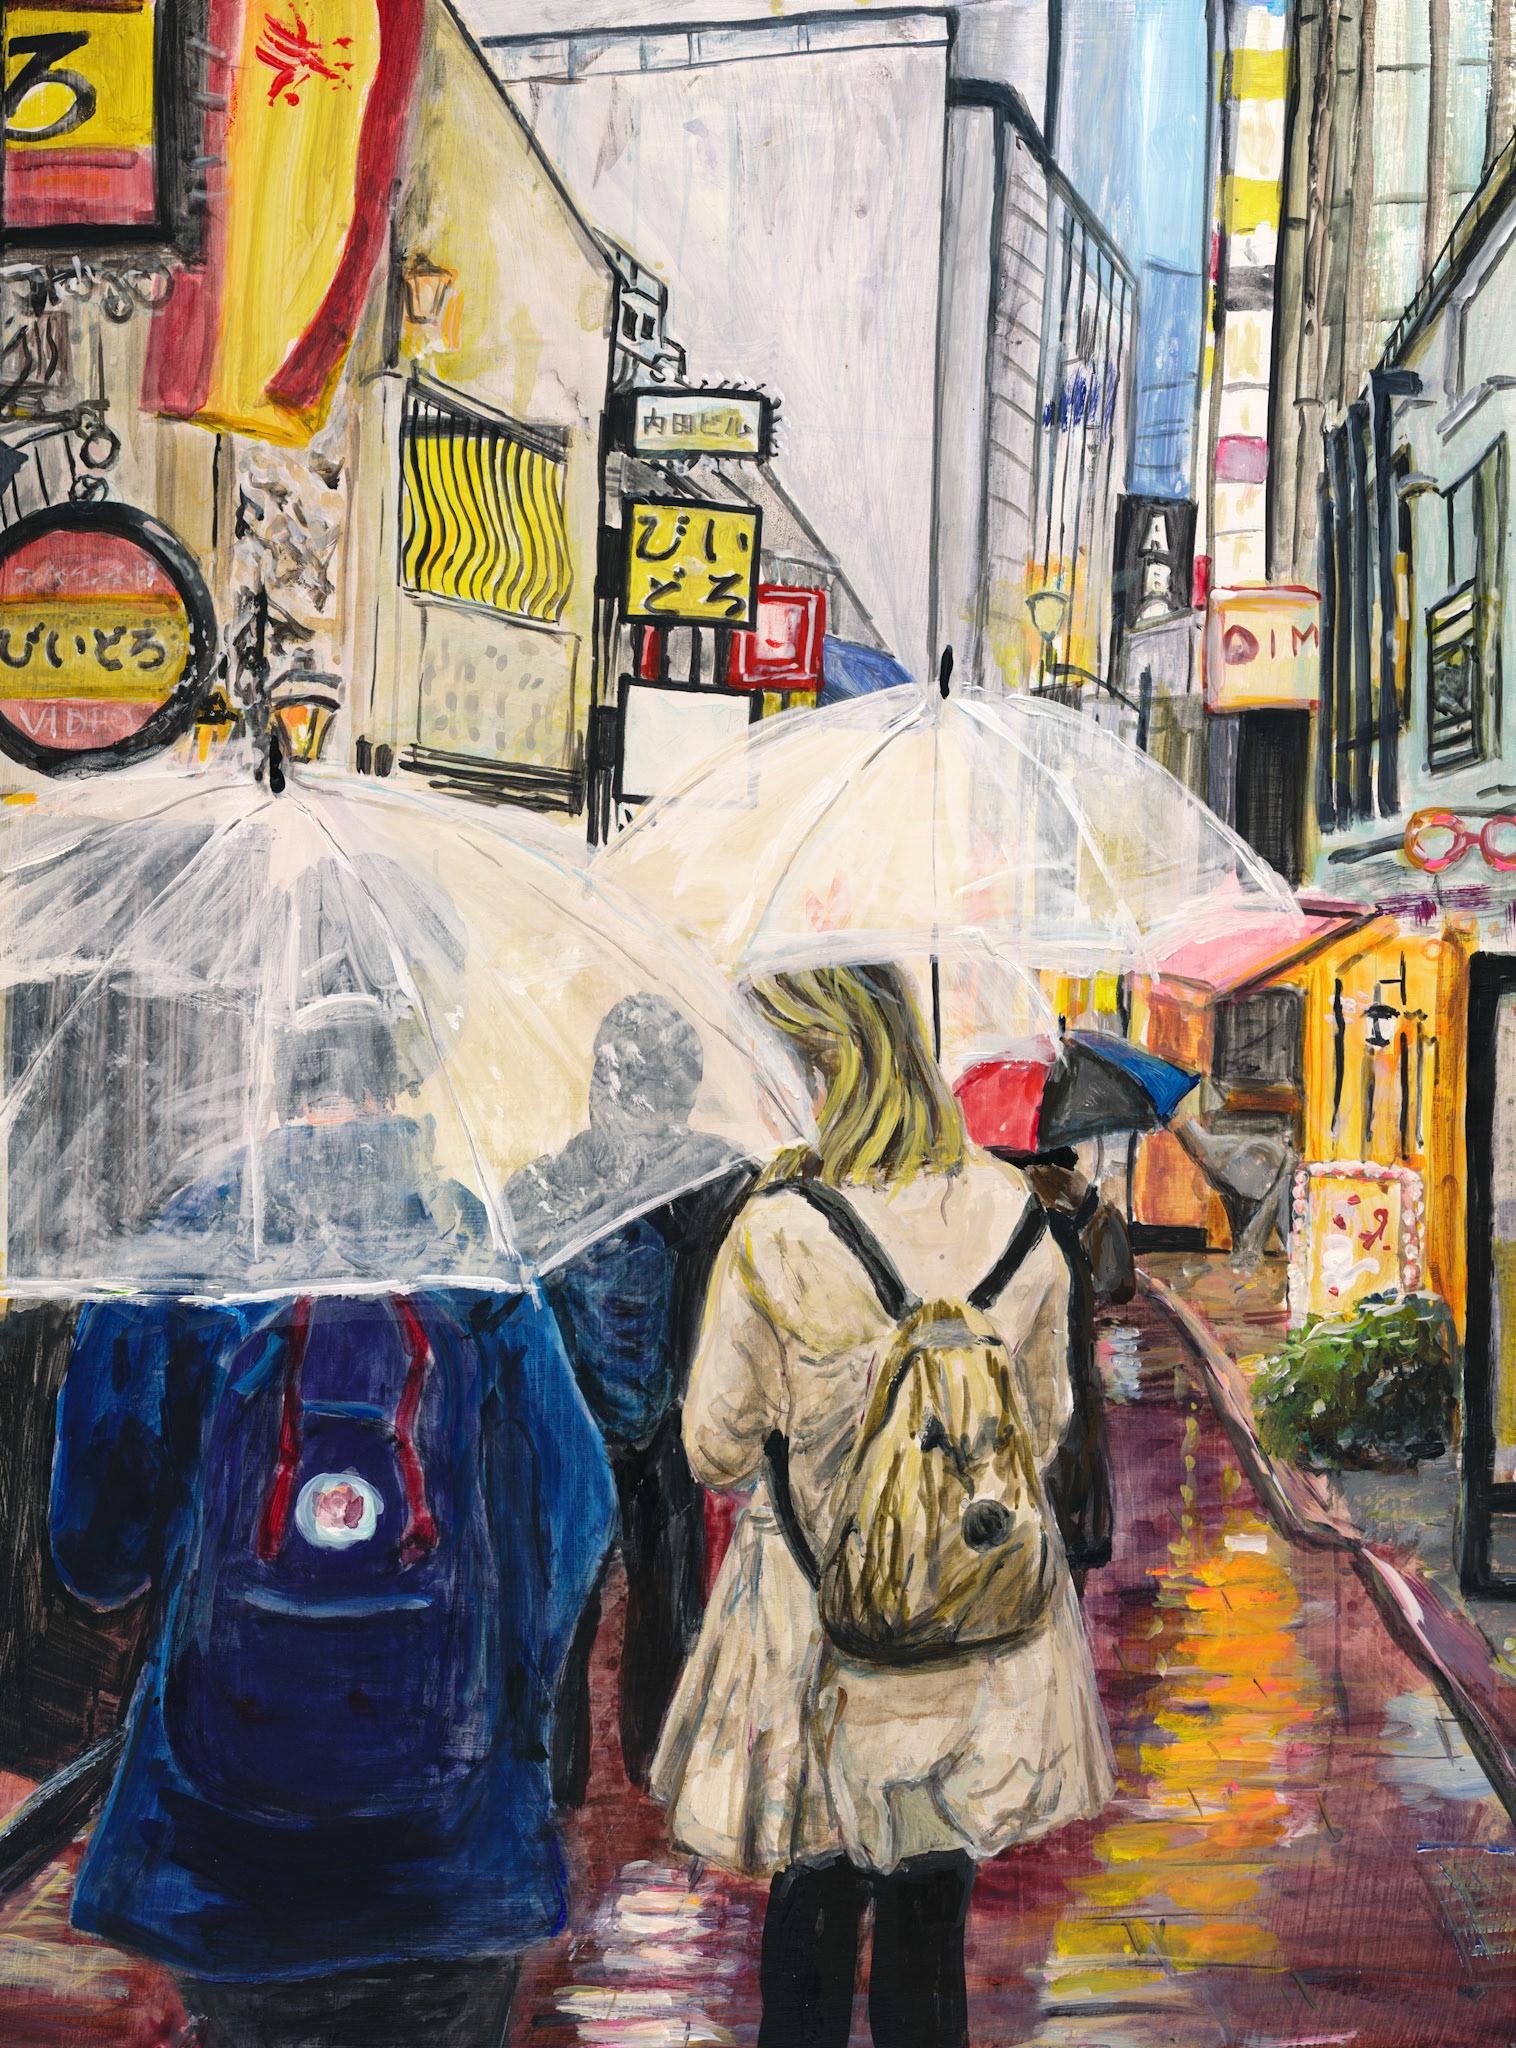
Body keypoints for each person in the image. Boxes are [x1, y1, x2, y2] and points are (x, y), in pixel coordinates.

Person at [51, 1002, 617, 2048]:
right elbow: (576, 1511)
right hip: (452, 1856)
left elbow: (95, 1555)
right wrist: (504, 1705)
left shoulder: (177, 1258)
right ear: (399, 1082)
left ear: (280, 1079)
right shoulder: (477, 1255)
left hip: (227, 1859)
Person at [649, 965, 1115, 2048]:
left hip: (817, 1628)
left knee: (810, 1921)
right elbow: (1045, 1425)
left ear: (822, 1067)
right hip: (971, 1617)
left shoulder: (778, 1227)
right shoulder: (1015, 1214)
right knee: (928, 1922)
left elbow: (715, 1448)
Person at [505, 993, 753, 1797]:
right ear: (684, 1089)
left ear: (600, 1084)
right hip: (668, 1423)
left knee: (568, 1602)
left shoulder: (543, 1188)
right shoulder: (723, 1181)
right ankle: (659, 1767)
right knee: (664, 1602)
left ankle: (559, 1777)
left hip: (570, 1427)